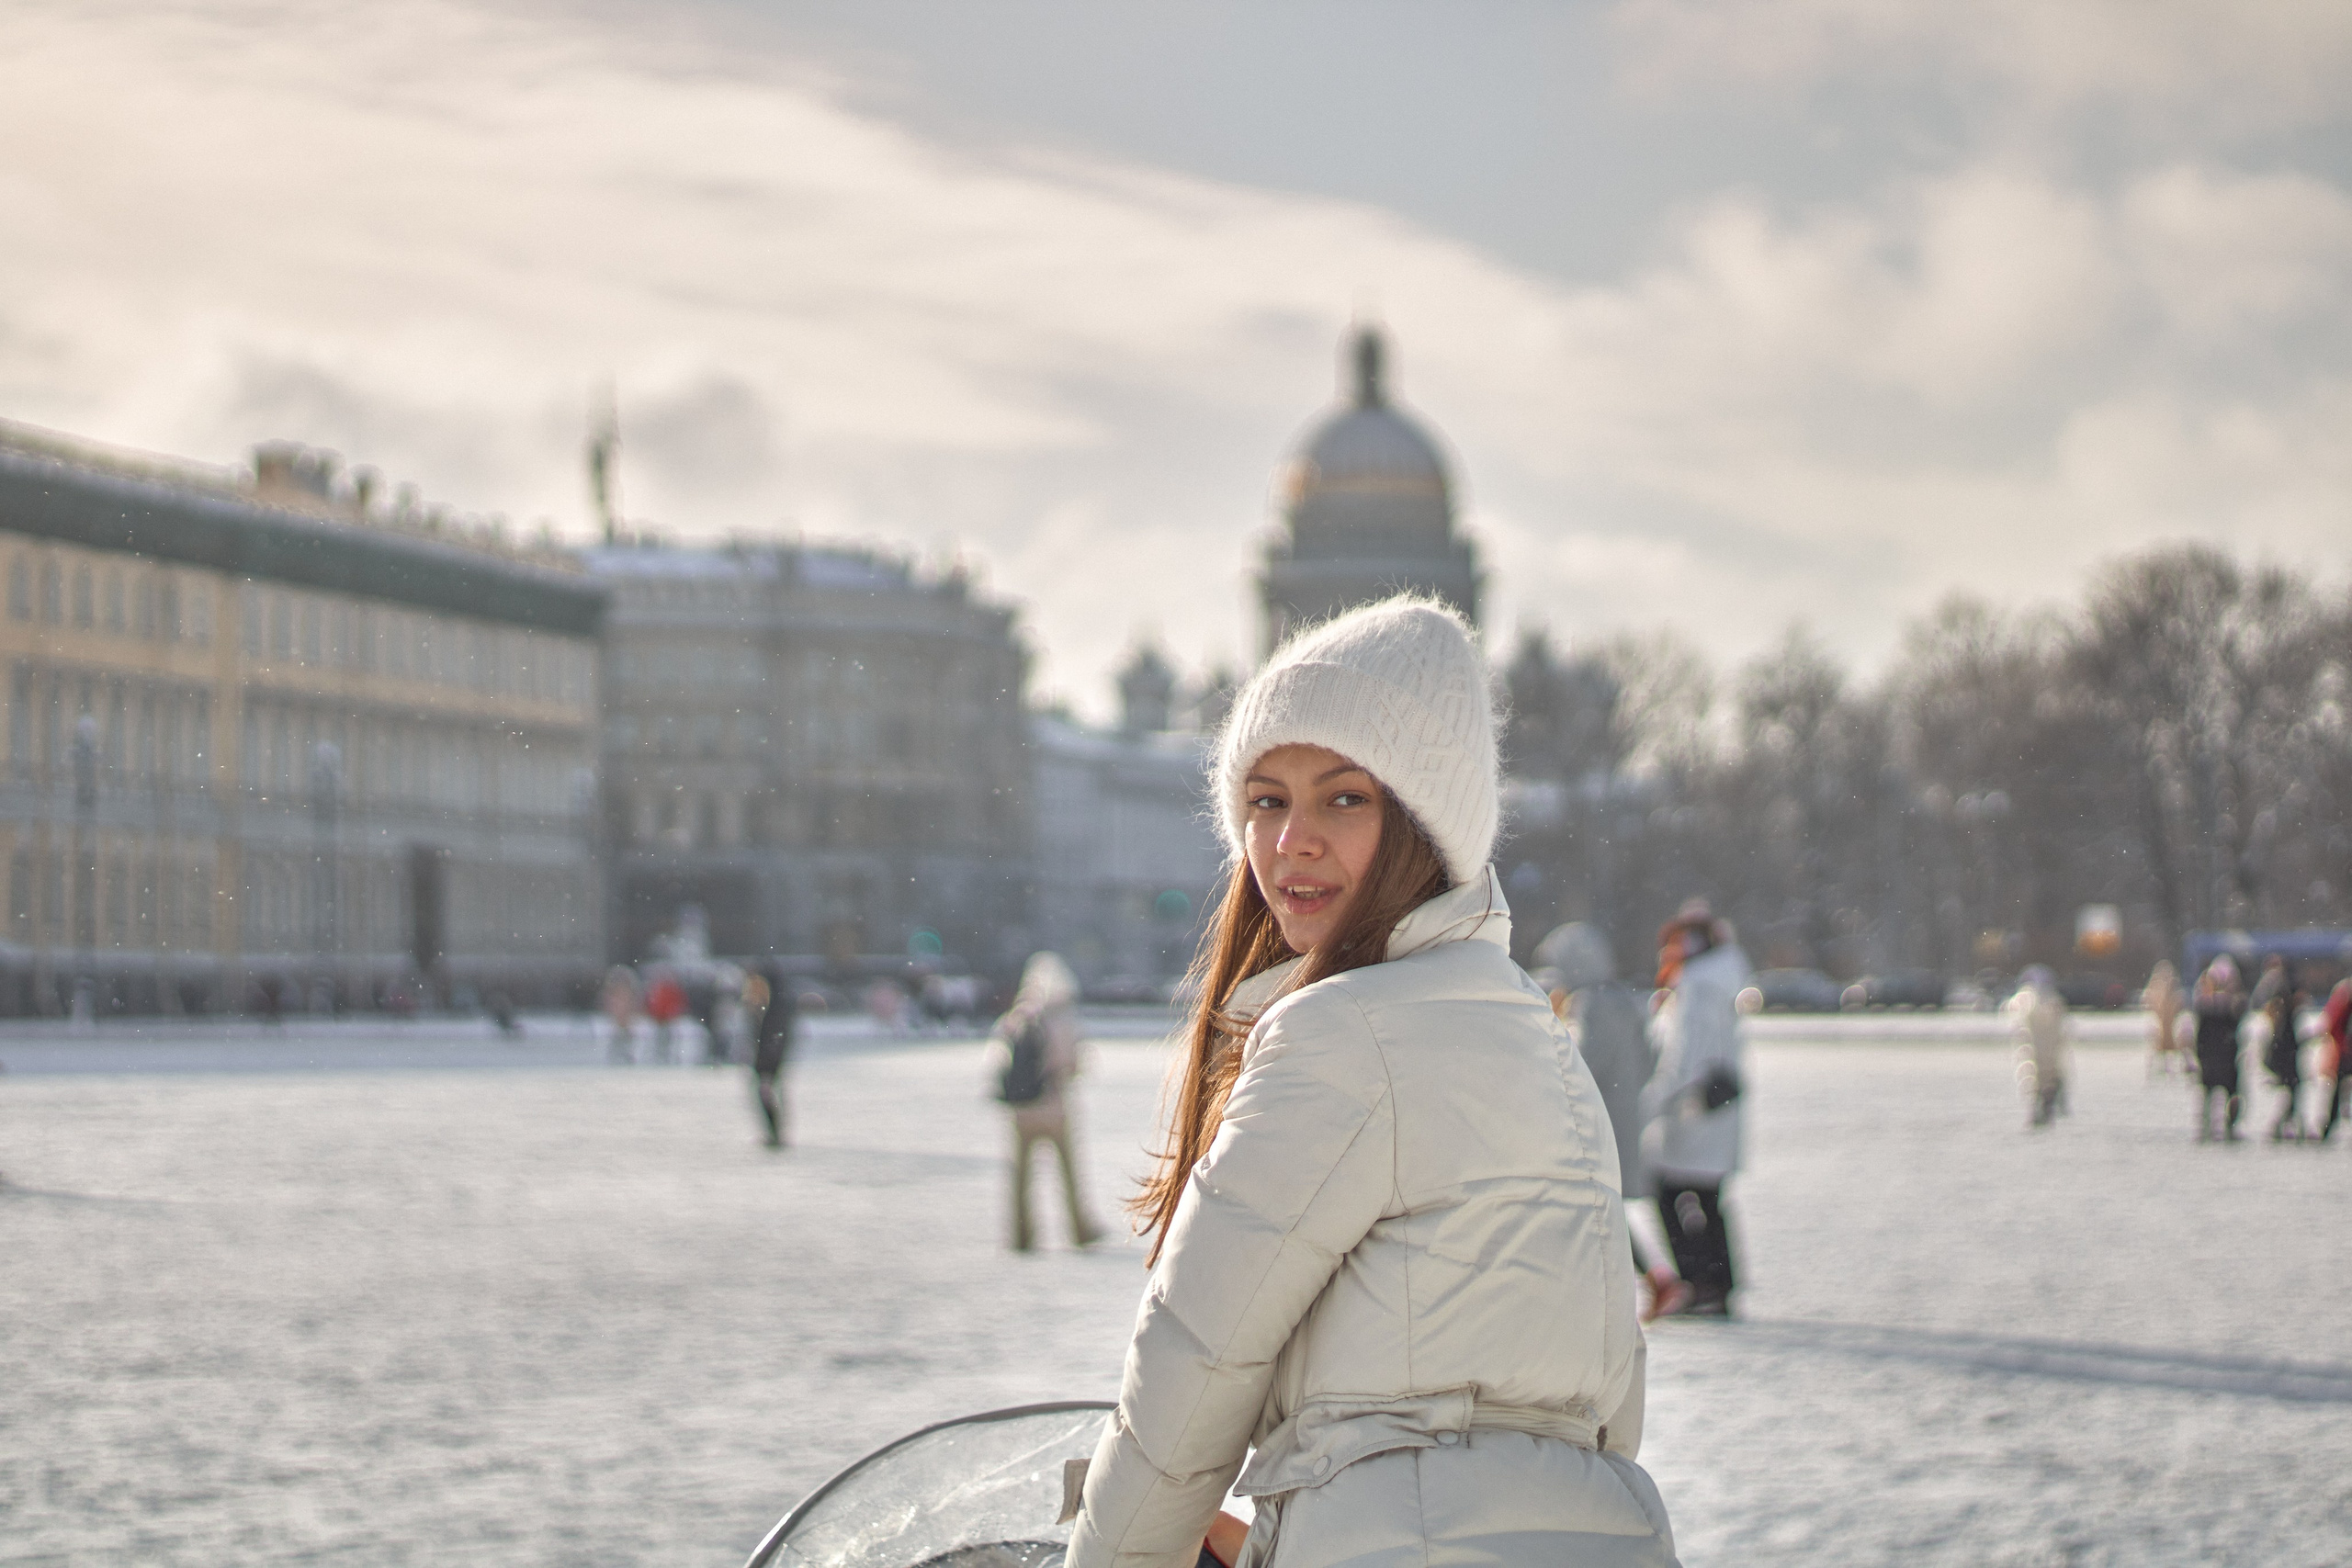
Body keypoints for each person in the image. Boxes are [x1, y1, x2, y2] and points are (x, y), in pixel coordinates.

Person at [1067, 598, 1676, 1568]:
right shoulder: (1532, 1035)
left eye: (1343, 798)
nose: (1290, 841)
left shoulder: (1342, 1035)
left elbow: (1191, 1380)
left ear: (1423, 822)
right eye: (1266, 800)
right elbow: (1598, 1401)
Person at [1536, 920, 1687, 1321]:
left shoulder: (1590, 1004)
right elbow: (1649, 1054)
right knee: (1603, 1206)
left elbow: (1578, 1063)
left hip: (1592, 1120)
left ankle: (1652, 1282)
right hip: (1625, 1114)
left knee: (1595, 1206)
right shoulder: (1621, 998)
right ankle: (1654, 1280)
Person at [1640, 900, 1749, 1319]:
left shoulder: (1698, 986)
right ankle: (1718, 1284)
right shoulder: (1719, 978)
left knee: (1670, 1193)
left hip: (1694, 1107)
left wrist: (1658, 1099)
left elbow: (1685, 1054)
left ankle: (1699, 1281)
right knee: (1707, 1197)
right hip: (1715, 1108)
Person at [990, 952, 1104, 1253]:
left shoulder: (1017, 1017)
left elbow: (999, 1058)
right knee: (1068, 1171)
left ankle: (1021, 1234)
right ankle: (1080, 1229)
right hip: (1055, 1106)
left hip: (1022, 1110)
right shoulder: (1062, 1020)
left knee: (1021, 1175)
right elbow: (1074, 1063)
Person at [2007, 965, 2072, 1128]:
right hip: (2041, 1054)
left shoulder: (2040, 1002)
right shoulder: (2049, 1002)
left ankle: (2045, 1107)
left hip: (2041, 1054)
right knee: (2044, 1077)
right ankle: (2045, 1107)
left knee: (2042, 1077)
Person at [2250, 956, 2306, 1142]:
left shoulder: (2276, 990)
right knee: (2292, 1087)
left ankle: (2285, 1123)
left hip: (2285, 1047)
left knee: (2292, 1088)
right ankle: (2283, 1123)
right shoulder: (2280, 991)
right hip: (2285, 1047)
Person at [2191, 956, 2246, 1143]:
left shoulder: (2206, 1006)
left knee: (2211, 1093)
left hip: (2216, 1058)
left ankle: (2209, 1125)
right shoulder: (2226, 1007)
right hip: (2225, 1057)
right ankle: (2226, 1126)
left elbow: (2200, 1035)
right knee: (2225, 1093)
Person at [749, 964, 799, 1148]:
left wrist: (769, 1054)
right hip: (768, 1056)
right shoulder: (771, 1002)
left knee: (767, 1092)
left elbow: (777, 1034)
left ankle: (775, 1133)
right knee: (768, 1092)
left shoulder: (775, 1006)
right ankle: (774, 1132)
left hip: (770, 1058)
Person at [2319, 976, 2351, 1143]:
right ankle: (2328, 1126)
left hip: (2345, 1053)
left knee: (2337, 1092)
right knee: (2337, 1092)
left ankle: (2328, 1126)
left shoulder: (2344, 995)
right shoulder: (2345, 996)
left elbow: (2331, 1024)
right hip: (2346, 1053)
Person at [2144, 960, 2186, 1079]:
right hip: (2162, 1024)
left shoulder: (2172, 990)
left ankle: (2171, 1067)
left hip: (2169, 1024)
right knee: (2160, 1044)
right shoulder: (2157, 989)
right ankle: (2160, 1067)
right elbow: (2150, 1003)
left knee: (2170, 1044)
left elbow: (2178, 1005)